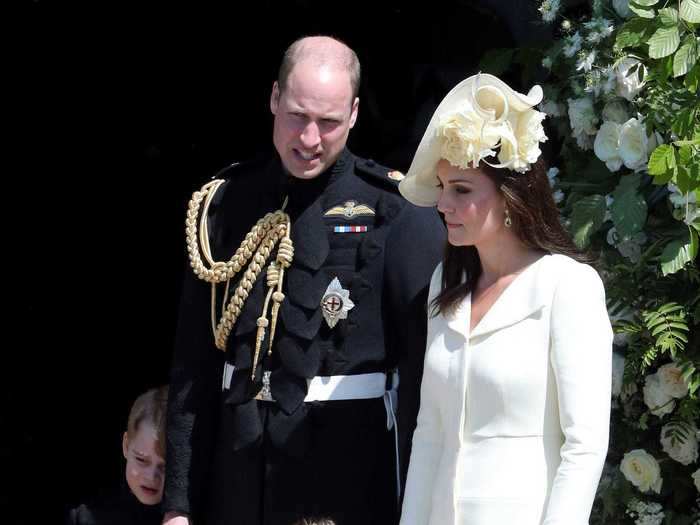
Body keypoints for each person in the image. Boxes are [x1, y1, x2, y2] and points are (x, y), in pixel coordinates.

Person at [163, 35, 445, 525]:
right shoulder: (226, 205)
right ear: (274, 98)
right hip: (239, 476)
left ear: (354, 114)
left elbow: (426, 377)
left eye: (329, 122)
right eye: (297, 115)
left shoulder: (395, 212)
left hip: (345, 478)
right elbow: (194, 366)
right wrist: (178, 504)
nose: (310, 139)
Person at [397, 73, 612, 524]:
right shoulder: (444, 283)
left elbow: (584, 446)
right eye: (442, 187)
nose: (443, 205)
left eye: (462, 189)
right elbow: (429, 434)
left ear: (512, 196)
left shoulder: (567, 286)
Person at [67, 385, 169, 525]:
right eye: (141, 460)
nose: (151, 477)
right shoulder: (86, 518)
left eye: (165, 467)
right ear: (126, 445)